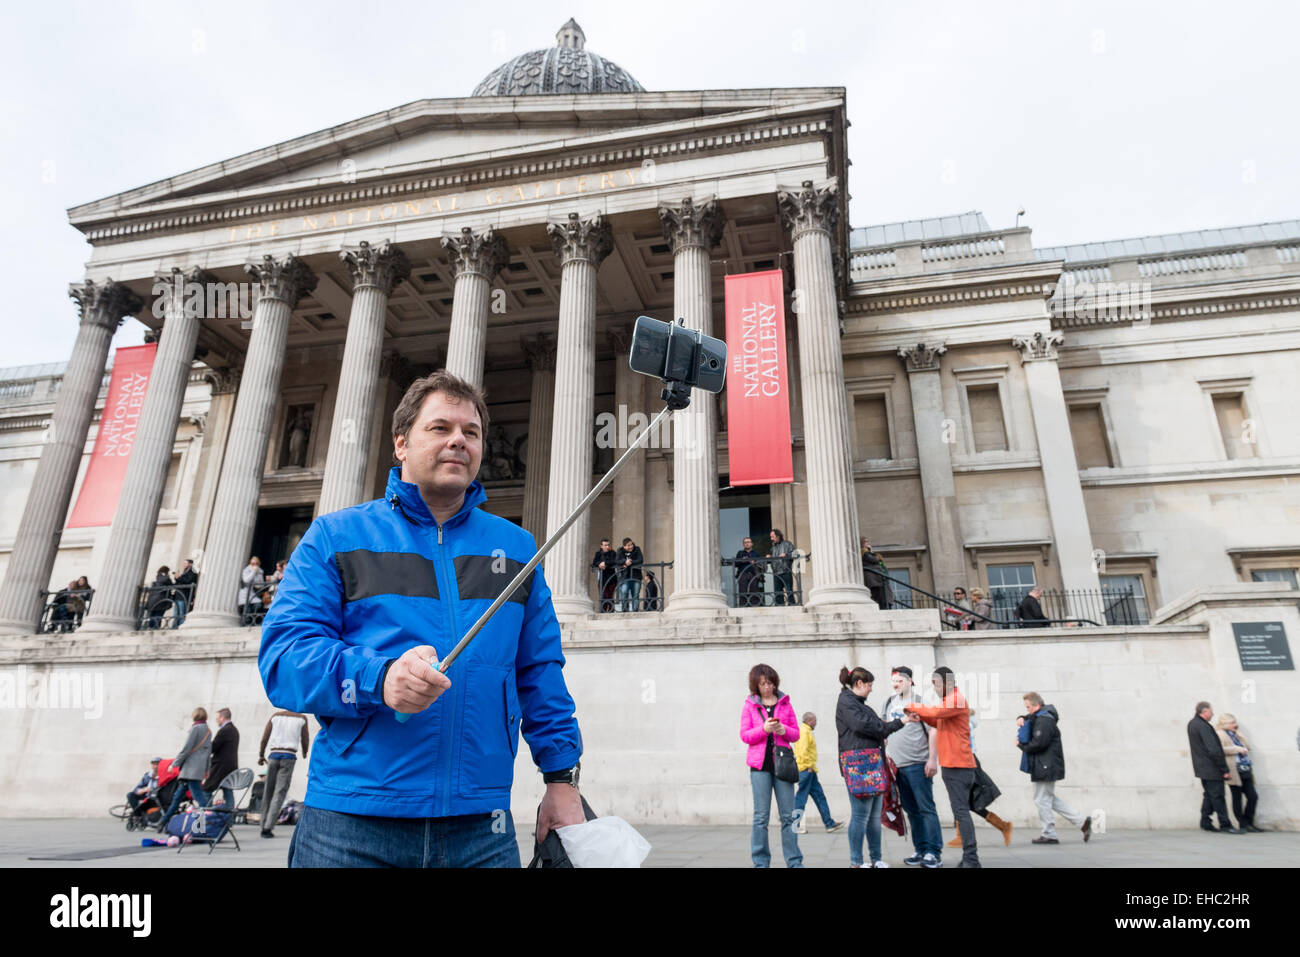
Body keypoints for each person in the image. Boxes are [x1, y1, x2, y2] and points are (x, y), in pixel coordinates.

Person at [259, 370, 583, 867]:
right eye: (440, 428)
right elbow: (284, 659)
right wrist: (379, 678)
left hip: (480, 828)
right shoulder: (334, 536)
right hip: (350, 827)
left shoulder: (517, 549)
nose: (459, 440)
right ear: (401, 444)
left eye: (471, 432)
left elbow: (539, 672)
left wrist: (562, 780)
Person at [836, 666, 912, 867]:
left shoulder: (860, 705)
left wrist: (899, 722)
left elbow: (880, 728)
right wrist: (897, 723)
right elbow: (866, 726)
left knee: (872, 816)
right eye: (869, 685)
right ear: (859, 684)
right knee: (861, 816)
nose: (871, 689)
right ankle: (856, 861)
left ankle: (876, 858)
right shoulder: (846, 702)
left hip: (872, 764)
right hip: (858, 766)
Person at [905, 667, 981, 867]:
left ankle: (971, 859)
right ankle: (969, 858)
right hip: (953, 764)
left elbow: (937, 713)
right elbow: (937, 721)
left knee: (961, 812)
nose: (935, 689)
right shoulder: (949, 701)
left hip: (959, 765)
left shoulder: (956, 699)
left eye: (936, 684)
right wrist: (920, 715)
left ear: (947, 683)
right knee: (960, 812)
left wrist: (915, 707)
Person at [739, 663, 802, 868]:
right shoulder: (750, 705)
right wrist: (764, 729)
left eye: (770, 683)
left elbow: (796, 733)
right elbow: (745, 735)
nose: (767, 687)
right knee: (761, 817)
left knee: (789, 817)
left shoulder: (785, 703)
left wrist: (783, 730)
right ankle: (761, 863)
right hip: (760, 767)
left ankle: (794, 862)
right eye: (763, 684)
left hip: (782, 765)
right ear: (756, 685)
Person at [882, 666, 943, 867]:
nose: (896, 684)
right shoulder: (889, 703)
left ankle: (934, 852)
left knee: (926, 808)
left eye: (899, 681)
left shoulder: (920, 702)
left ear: (909, 681)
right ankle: (921, 849)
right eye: (894, 681)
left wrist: (932, 759)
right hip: (897, 767)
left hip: (918, 764)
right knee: (911, 810)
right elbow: (884, 729)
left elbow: (933, 730)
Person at [1018, 692, 1091, 844]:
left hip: (1045, 765)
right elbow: (1029, 718)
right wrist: (1021, 717)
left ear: (1037, 706)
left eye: (1028, 707)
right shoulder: (1041, 715)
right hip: (1045, 764)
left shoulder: (1044, 721)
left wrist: (1021, 745)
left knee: (1041, 800)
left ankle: (1049, 834)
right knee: (1047, 798)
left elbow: (1039, 744)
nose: (1027, 710)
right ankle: (1082, 822)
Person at [1187, 701, 1242, 833]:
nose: (1213, 714)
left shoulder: (1193, 724)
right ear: (1204, 712)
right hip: (1212, 768)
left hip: (1202, 767)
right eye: (1211, 711)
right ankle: (1225, 825)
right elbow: (1214, 750)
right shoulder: (1204, 726)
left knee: (1209, 795)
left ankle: (1205, 821)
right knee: (1218, 796)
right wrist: (1224, 769)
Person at [257, 709, 309, 838]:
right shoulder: (301, 718)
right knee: (279, 793)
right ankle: (268, 827)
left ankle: (263, 823)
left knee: (268, 791)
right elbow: (305, 738)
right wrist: (304, 752)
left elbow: (265, 737)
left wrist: (261, 754)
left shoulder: (275, 716)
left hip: (273, 755)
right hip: (289, 756)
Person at [158, 707, 212, 831]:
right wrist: (207, 769)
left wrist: (174, 764)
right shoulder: (208, 731)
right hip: (198, 770)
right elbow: (208, 751)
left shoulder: (195, 729)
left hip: (190, 770)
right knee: (178, 797)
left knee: (199, 798)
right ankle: (163, 822)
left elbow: (186, 748)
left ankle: (209, 821)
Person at [791, 711, 843, 835]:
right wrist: (809, 766)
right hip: (806, 770)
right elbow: (802, 752)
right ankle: (794, 825)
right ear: (810, 721)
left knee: (819, 797)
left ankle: (829, 824)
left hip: (810, 771)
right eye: (815, 721)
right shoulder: (804, 732)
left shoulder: (805, 731)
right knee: (801, 798)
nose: (816, 723)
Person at [1216, 712, 1261, 832]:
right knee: (1237, 798)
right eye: (1232, 723)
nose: (1235, 725)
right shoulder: (1220, 734)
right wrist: (1237, 749)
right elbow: (1220, 750)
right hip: (1234, 770)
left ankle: (1248, 822)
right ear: (1225, 723)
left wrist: (1240, 735)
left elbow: (1247, 747)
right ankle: (1242, 824)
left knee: (1253, 796)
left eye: (1235, 722)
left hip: (1245, 768)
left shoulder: (1236, 734)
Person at [203, 708, 240, 809]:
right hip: (231, 767)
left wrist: (204, 745)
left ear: (222, 717)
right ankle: (229, 820)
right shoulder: (234, 730)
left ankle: (206, 816)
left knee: (206, 789)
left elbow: (214, 747)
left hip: (220, 766)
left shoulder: (224, 730)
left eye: (217, 718)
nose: (216, 720)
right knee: (228, 790)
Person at [768, 529, 796, 606]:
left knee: (789, 591)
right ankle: (780, 607)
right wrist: (769, 557)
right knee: (777, 593)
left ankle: (792, 606)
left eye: (772, 537)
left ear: (778, 536)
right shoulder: (772, 548)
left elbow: (796, 554)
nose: (771, 539)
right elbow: (772, 559)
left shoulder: (787, 544)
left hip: (786, 571)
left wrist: (786, 555)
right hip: (776, 573)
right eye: (771, 537)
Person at [591, 538, 619, 613]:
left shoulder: (613, 553)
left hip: (612, 579)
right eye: (605, 545)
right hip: (602, 579)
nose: (607, 546)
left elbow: (615, 561)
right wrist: (599, 564)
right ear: (601, 546)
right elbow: (594, 563)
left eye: (608, 545)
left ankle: (611, 611)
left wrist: (605, 563)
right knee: (603, 596)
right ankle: (603, 612)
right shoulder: (598, 554)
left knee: (610, 596)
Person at [616, 537, 643, 613]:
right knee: (624, 591)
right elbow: (617, 561)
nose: (631, 546)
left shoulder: (637, 549)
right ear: (624, 546)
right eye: (628, 545)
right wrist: (625, 561)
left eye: (631, 544)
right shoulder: (620, 550)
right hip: (625, 577)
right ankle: (625, 609)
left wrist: (630, 562)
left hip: (636, 576)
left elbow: (640, 560)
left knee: (636, 594)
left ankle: (635, 610)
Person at [861, 537, 889, 609]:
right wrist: (877, 557)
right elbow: (873, 560)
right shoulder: (864, 552)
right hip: (872, 578)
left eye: (867, 542)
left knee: (879, 595)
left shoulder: (867, 552)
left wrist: (871, 551)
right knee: (875, 595)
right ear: (862, 543)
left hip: (875, 578)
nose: (868, 543)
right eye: (866, 542)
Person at [735, 537, 764, 607]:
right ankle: (743, 607)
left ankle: (755, 607)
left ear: (752, 544)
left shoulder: (756, 554)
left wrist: (754, 562)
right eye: (745, 542)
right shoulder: (740, 553)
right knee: (742, 591)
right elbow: (735, 564)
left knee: (754, 591)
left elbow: (761, 565)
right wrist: (742, 560)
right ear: (743, 544)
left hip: (753, 574)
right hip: (743, 575)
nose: (747, 544)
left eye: (748, 542)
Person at [172, 559, 197, 628]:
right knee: (175, 613)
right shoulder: (184, 572)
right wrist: (176, 578)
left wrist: (179, 577)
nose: (184, 565)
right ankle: (174, 626)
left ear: (190, 564)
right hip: (178, 595)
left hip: (184, 596)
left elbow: (188, 581)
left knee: (182, 613)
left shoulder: (192, 572)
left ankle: (180, 626)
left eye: (185, 563)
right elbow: (179, 582)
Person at [239, 556, 264, 624]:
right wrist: (253, 572)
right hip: (244, 594)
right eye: (253, 564)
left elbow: (260, 585)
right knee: (247, 609)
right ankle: (245, 623)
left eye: (256, 564)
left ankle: (253, 621)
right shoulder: (246, 570)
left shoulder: (259, 572)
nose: (254, 565)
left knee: (258, 604)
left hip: (252, 594)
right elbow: (246, 580)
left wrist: (259, 574)